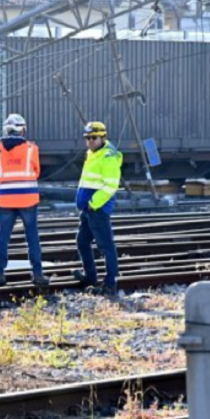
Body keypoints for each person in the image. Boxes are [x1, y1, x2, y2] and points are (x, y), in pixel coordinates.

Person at [0, 114, 48, 287]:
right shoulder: (32, 149)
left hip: (6, 200)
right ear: (22, 130)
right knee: (32, 237)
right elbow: (36, 172)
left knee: (3, 238)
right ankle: (37, 274)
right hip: (28, 199)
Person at [73, 121, 123, 296]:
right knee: (82, 241)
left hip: (97, 209)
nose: (90, 141)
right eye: (87, 138)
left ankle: (110, 284)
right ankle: (91, 277)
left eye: (94, 138)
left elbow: (110, 186)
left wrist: (93, 204)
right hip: (88, 209)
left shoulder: (108, 157)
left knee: (105, 245)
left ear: (103, 137)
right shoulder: (92, 153)